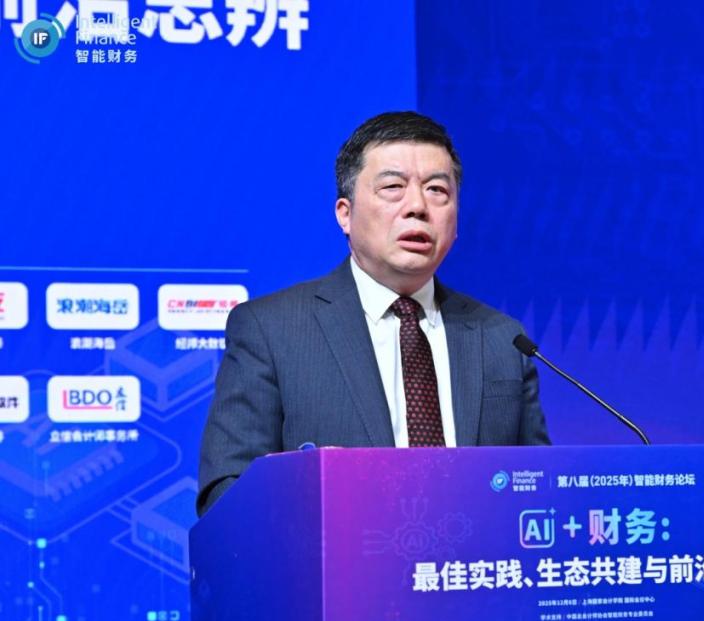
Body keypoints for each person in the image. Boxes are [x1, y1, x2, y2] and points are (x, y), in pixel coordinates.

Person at [196, 111, 549, 516]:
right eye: (393, 187)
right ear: (344, 213)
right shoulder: (272, 331)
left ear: (455, 220)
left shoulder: (502, 339)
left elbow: (540, 490)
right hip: (332, 556)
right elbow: (227, 493)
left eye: (437, 190)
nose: (417, 206)